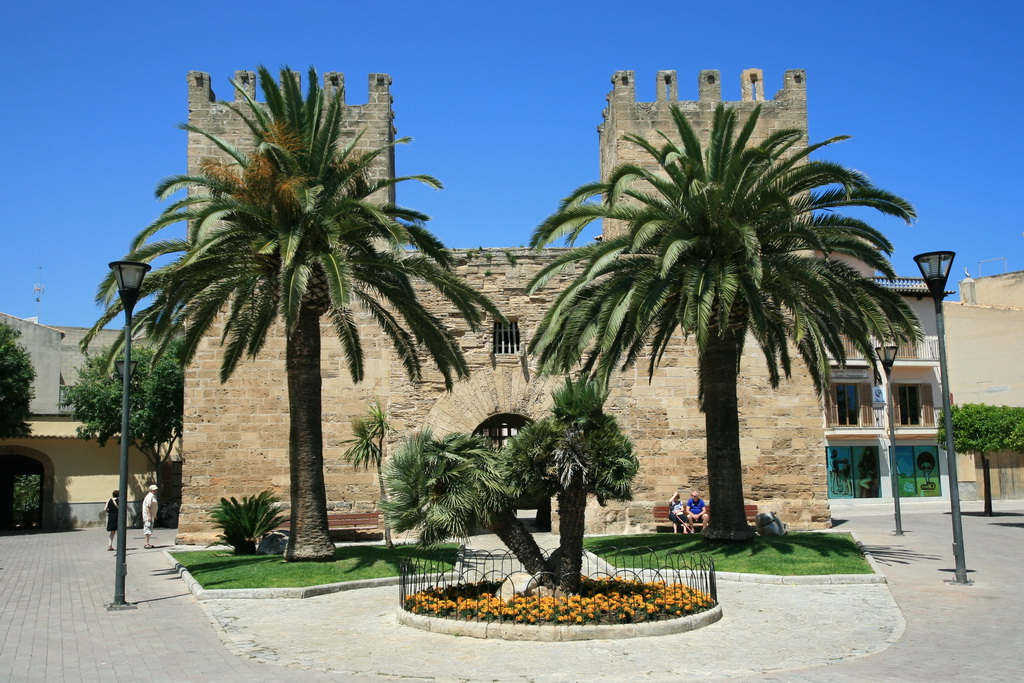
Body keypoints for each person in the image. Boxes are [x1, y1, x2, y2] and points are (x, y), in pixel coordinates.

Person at [142, 484, 159, 549]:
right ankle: (146, 543)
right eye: (154, 490)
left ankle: (147, 542)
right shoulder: (150, 496)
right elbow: (147, 507)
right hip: (148, 516)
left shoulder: (153, 496)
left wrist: (155, 515)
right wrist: (149, 516)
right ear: (151, 490)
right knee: (148, 529)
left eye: (156, 490)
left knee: (150, 529)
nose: (155, 491)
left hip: (151, 516)